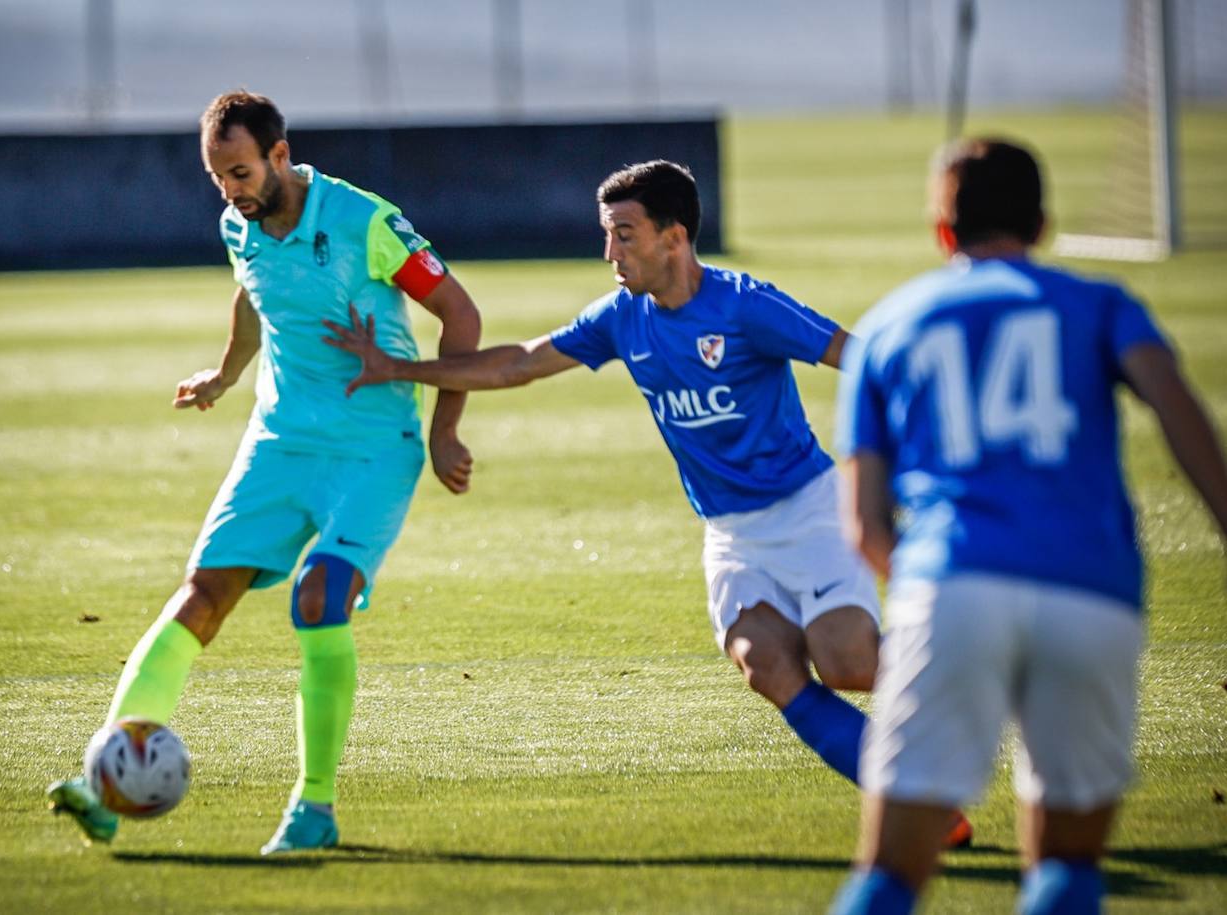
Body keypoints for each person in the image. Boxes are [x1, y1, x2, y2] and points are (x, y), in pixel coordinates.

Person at [324, 160, 970, 845]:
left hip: (808, 510)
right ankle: (923, 804)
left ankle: (966, 661)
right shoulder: (622, 318)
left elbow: (858, 357)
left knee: (849, 664)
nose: (611, 253)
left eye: (624, 235)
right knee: (767, 665)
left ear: (674, 237)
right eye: (608, 236)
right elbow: (518, 362)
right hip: (730, 532)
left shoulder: (746, 305)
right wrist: (402, 368)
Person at [47, 90, 481, 854]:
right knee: (200, 595)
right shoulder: (236, 224)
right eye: (219, 178)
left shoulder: (363, 222)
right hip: (279, 442)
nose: (231, 192)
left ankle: (313, 807)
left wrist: (446, 429)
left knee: (319, 598)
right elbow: (253, 297)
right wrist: (223, 374)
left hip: (374, 445)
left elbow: (462, 313)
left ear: (281, 156)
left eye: (241, 173)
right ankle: (108, 786)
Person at [828, 138, 1227, 914]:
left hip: (952, 586)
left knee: (888, 876)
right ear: (1043, 223)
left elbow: (866, 525)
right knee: (1067, 869)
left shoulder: (887, 328)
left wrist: (932, 601)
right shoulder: (1099, 303)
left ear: (943, 232)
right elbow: (1182, 418)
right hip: (1091, 588)